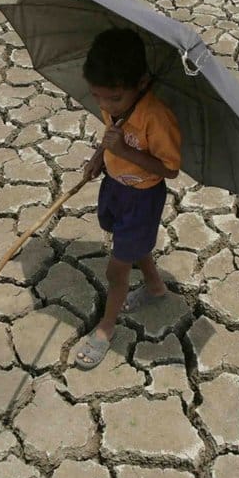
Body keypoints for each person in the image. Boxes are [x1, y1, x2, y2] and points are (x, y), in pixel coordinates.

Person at [73, 28, 182, 370]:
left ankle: (106, 328)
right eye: (97, 97)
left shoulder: (157, 118)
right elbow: (110, 137)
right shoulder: (115, 102)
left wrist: (122, 151)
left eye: (114, 98)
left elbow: (170, 170)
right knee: (131, 244)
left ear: (142, 83)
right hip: (115, 187)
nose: (105, 105)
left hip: (142, 198)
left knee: (116, 270)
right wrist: (97, 159)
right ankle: (154, 287)